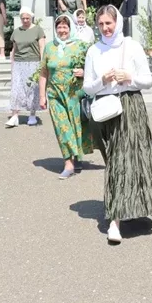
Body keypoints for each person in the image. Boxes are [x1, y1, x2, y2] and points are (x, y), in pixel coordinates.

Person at [82, 5, 152, 244]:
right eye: (101, 24)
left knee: (125, 161)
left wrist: (129, 78)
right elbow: (87, 87)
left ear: (118, 22)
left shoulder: (132, 46)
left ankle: (115, 222)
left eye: (109, 23)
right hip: (105, 110)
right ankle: (126, 206)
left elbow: (148, 80)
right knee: (115, 161)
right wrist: (102, 80)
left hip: (130, 107)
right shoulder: (94, 51)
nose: (105, 28)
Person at [39, 15, 93, 180]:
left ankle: (77, 157)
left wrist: (84, 72)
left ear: (71, 29)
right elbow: (43, 72)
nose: (62, 30)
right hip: (54, 94)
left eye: (65, 27)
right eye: (59, 27)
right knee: (62, 127)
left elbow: (94, 67)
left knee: (76, 126)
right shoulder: (49, 47)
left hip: (74, 94)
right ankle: (68, 164)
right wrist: (42, 96)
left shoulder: (81, 46)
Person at [7, 7, 46, 128]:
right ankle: (14, 116)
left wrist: (42, 63)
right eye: (23, 18)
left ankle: (32, 115)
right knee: (16, 89)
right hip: (19, 63)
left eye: (27, 18)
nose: (25, 20)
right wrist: (12, 64)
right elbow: (14, 49)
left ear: (31, 18)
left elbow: (42, 47)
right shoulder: (16, 31)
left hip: (33, 62)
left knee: (32, 89)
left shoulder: (38, 30)